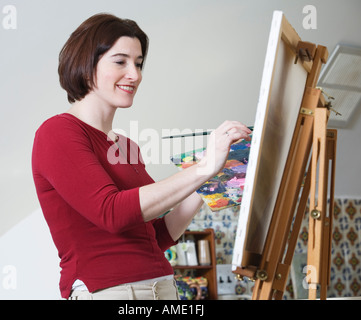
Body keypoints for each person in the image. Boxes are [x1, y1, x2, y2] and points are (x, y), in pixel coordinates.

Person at [31, 13, 251, 300]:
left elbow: (156, 237)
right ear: (86, 66)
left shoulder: (127, 146)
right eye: (121, 61)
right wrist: (204, 166)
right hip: (109, 291)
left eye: (138, 63)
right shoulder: (58, 132)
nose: (135, 74)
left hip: (163, 287)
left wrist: (209, 175)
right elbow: (112, 213)